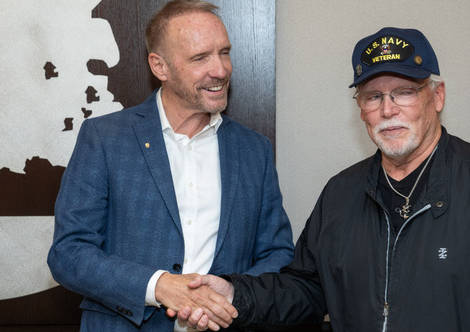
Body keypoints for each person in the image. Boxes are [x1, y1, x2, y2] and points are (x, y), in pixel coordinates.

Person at [183, 27, 470, 331]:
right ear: (360, 109)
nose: (388, 110)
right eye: (372, 96)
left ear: (437, 97)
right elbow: (306, 289)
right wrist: (235, 293)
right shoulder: (341, 192)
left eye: (404, 92)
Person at [46, 1, 294, 331]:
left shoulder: (253, 150)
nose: (220, 69)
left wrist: (232, 293)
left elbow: (278, 254)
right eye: (200, 58)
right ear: (160, 67)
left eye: (224, 52)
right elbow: (68, 253)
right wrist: (160, 286)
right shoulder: (104, 139)